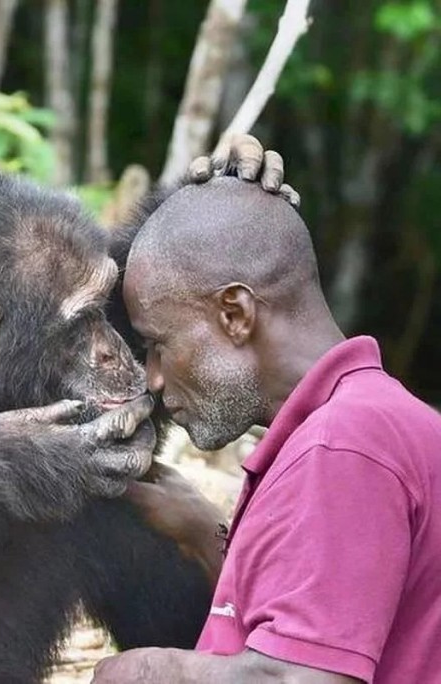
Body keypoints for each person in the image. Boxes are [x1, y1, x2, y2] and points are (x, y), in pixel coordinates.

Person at [91, 171, 441, 683]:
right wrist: (205, 534)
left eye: (157, 346)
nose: (155, 379)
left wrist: (148, 670)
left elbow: (302, 679)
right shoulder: (359, 424)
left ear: (235, 313)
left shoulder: (345, 446)